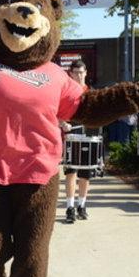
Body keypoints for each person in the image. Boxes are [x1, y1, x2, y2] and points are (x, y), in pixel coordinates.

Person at [60, 60, 94, 223]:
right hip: (71, 136)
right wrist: (62, 123)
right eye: (76, 73)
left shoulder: (91, 93)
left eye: (81, 72)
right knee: (71, 172)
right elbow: (55, 112)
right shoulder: (65, 92)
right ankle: (70, 207)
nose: (79, 76)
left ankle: (82, 205)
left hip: (87, 136)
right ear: (70, 74)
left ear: (86, 73)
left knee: (85, 173)